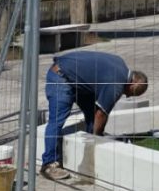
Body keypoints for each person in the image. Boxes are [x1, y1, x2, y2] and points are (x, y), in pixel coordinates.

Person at [40, 49, 148, 181]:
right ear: (133, 84)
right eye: (131, 93)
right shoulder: (116, 84)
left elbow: (97, 111)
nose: (126, 95)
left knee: (91, 112)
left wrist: (97, 134)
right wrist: (98, 138)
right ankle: (49, 164)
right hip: (61, 77)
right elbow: (101, 114)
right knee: (56, 121)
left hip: (74, 78)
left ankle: (92, 141)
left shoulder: (120, 65)